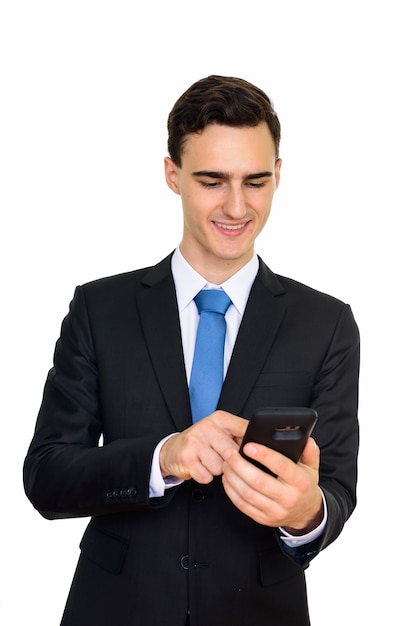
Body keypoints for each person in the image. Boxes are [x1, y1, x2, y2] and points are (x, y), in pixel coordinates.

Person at [23, 75, 360, 626]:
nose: (236, 205)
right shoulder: (99, 309)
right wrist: (164, 458)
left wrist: (307, 514)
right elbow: (47, 477)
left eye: (255, 181)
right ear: (172, 176)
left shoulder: (326, 323)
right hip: (115, 610)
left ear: (278, 176)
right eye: (212, 181)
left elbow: (337, 489)